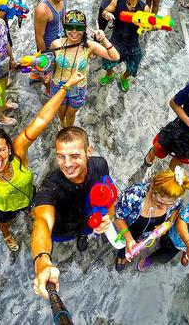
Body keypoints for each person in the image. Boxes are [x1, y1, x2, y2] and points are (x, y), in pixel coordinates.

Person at [0, 71, 86, 251]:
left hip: (28, 196)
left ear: (9, 148)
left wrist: (67, 85)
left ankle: (28, 209)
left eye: (1, 149)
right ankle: (7, 235)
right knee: (4, 222)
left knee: (31, 205)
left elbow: (41, 119)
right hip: (3, 207)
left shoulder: (18, 152)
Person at [31, 127, 114, 299]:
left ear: (88, 151)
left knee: (84, 232)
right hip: (63, 227)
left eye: (75, 156)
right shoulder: (50, 188)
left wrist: (109, 216)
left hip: (87, 220)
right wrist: (42, 259)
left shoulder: (100, 165)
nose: (67, 164)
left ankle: (83, 236)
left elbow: (108, 189)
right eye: (61, 156)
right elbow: (43, 222)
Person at [49, 10, 120, 128]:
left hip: (78, 86)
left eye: (79, 27)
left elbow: (115, 57)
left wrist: (103, 39)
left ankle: (68, 129)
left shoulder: (90, 46)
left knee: (71, 113)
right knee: (60, 111)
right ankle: (62, 125)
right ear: (64, 27)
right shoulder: (56, 44)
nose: (74, 31)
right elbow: (51, 63)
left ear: (85, 28)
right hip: (58, 84)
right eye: (70, 27)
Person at [113, 168, 189, 271]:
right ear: (153, 189)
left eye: (169, 204)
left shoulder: (175, 199)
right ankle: (121, 256)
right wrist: (128, 238)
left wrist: (169, 222)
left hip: (146, 234)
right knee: (124, 245)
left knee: (134, 244)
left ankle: (124, 254)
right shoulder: (134, 195)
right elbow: (118, 217)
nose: (164, 207)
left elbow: (176, 209)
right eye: (160, 202)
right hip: (128, 228)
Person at [99, 0, 148, 92]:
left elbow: (148, 25)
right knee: (106, 61)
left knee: (133, 65)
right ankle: (110, 75)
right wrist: (107, 15)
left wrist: (152, 27)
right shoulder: (117, 1)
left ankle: (124, 77)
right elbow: (105, 11)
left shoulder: (144, 7)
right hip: (117, 39)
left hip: (133, 41)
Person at [32, 0, 70, 85]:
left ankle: (35, 72)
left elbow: (63, 21)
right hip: (49, 48)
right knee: (48, 79)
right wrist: (46, 58)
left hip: (60, 44)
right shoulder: (42, 10)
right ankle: (38, 75)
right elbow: (39, 37)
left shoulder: (63, 0)